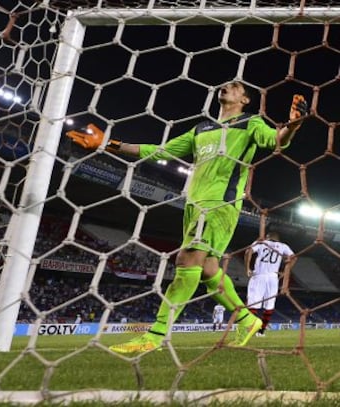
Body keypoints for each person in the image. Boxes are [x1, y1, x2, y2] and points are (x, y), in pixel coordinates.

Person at [66, 81, 307, 353]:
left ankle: (155, 336)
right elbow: (160, 151)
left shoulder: (250, 123)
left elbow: (276, 141)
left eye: (235, 86)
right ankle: (246, 319)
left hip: (219, 205)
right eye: (225, 84)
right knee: (207, 270)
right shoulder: (201, 129)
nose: (226, 86)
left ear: (245, 99)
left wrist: (293, 126)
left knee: (186, 259)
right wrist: (109, 144)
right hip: (194, 205)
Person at [244, 230, 296, 337]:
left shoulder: (262, 242)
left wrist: (247, 268)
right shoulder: (283, 246)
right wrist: (286, 271)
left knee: (253, 304)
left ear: (268, 237)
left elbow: (248, 252)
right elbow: (294, 257)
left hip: (259, 275)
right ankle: (262, 331)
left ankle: (250, 329)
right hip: (273, 277)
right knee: (269, 306)